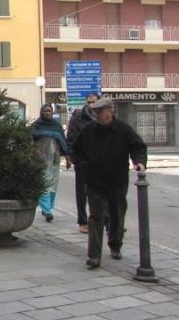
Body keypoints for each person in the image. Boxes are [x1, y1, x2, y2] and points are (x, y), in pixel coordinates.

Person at [71, 98, 147, 269]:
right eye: (95, 112)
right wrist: (83, 165)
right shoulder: (88, 130)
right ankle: (94, 256)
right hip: (94, 181)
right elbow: (76, 149)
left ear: (111, 111)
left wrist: (139, 161)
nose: (97, 115)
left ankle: (115, 245)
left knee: (117, 215)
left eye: (100, 111)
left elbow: (138, 147)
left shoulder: (123, 129)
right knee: (96, 216)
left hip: (117, 181)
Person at [31, 104, 71, 222]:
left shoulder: (56, 126)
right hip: (41, 159)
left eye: (50, 111)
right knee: (44, 183)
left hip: (54, 159)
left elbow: (63, 143)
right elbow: (28, 139)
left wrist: (68, 158)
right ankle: (47, 210)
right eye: (45, 111)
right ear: (41, 112)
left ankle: (48, 207)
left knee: (53, 184)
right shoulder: (36, 125)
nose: (47, 113)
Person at [66, 93, 99, 234]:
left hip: (99, 162)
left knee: (100, 192)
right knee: (82, 192)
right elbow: (71, 138)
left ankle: (103, 220)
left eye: (93, 102)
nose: (90, 105)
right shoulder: (78, 117)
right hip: (82, 161)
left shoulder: (101, 117)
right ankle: (83, 221)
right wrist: (74, 159)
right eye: (88, 102)